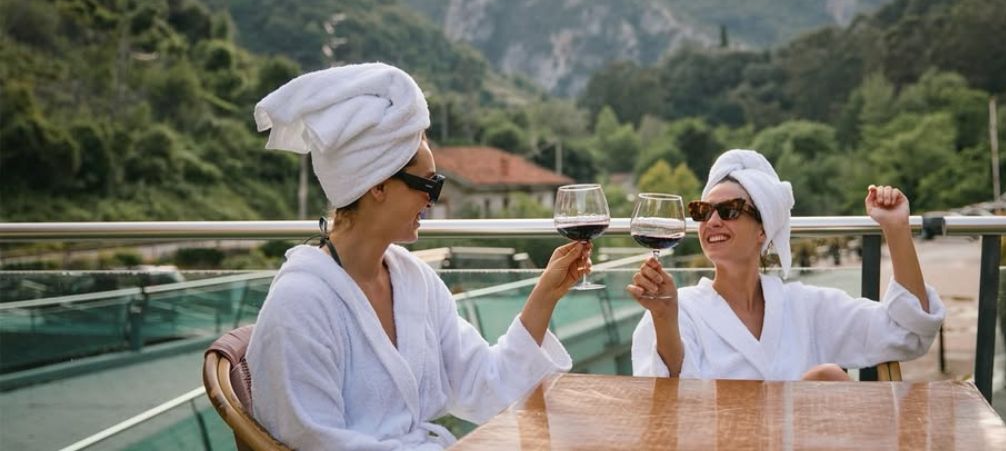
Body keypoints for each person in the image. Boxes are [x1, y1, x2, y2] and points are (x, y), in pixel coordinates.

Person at [246, 63, 591, 448]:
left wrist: (545, 294)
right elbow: (310, 441)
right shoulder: (300, 303)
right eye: (427, 183)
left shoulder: (413, 281)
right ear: (377, 186)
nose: (432, 199)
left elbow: (486, 386)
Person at [627, 149, 944, 380]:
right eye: (702, 211)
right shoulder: (678, 309)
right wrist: (665, 319)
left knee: (828, 378)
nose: (711, 221)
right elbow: (666, 407)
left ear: (763, 229)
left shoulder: (807, 308)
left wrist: (896, 228)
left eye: (729, 211)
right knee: (827, 378)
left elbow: (907, 333)